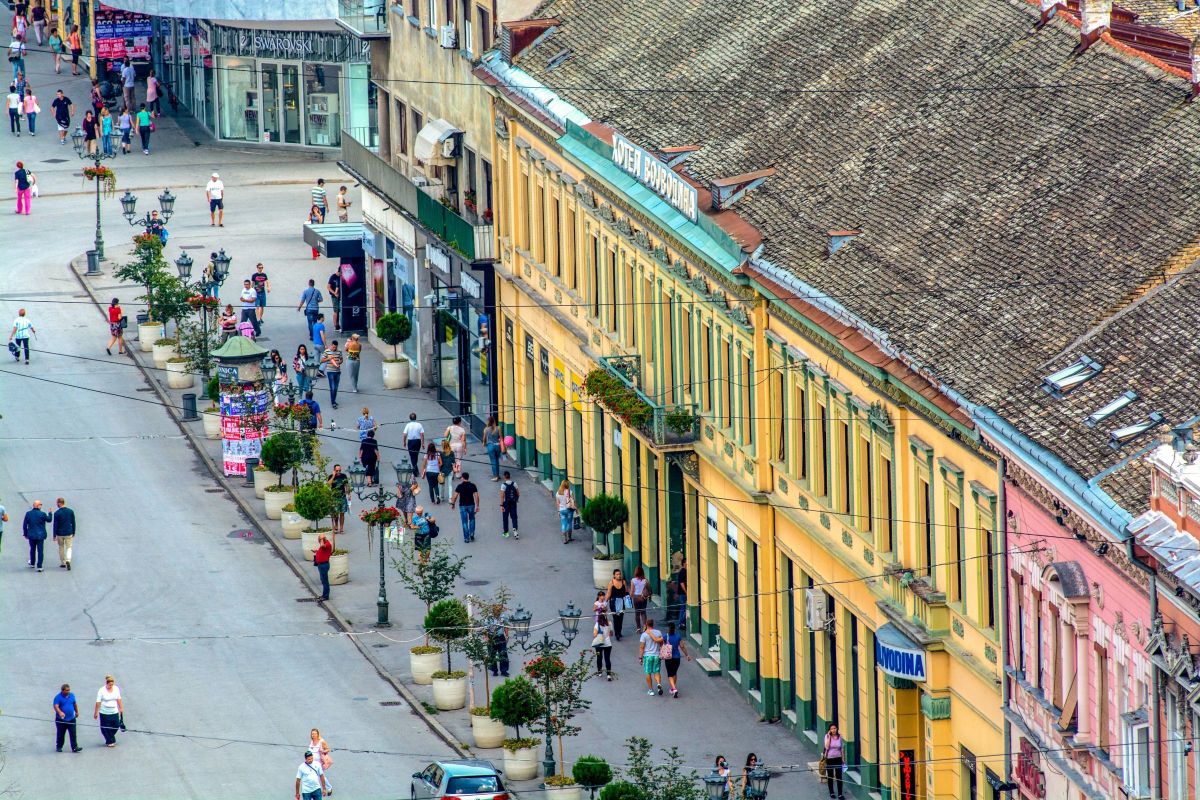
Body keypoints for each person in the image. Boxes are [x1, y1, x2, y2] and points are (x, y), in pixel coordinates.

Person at [662, 621, 691, 698]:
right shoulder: (678, 636)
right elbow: (682, 646)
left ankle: (674, 689)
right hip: (677, 658)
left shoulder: (665, 637)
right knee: (674, 673)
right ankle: (672, 688)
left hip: (669, 658)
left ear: (668, 629)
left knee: (670, 675)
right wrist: (687, 655)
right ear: (674, 629)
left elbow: (660, 645)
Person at [93, 675, 123, 746]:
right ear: (106, 683)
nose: (111, 686)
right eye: (110, 685)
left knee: (116, 725)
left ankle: (110, 737)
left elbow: (118, 698)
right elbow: (98, 702)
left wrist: (121, 707)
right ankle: (110, 741)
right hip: (104, 712)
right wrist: (96, 712)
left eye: (112, 685)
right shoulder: (101, 690)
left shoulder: (116, 689)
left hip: (114, 711)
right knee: (105, 728)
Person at [450, 471, 479, 543]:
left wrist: (453, 504)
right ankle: (471, 533)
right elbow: (476, 496)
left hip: (462, 506)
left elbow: (455, 496)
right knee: (472, 519)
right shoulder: (473, 486)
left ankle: (466, 538)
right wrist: (477, 506)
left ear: (463, 478)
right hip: (471, 505)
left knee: (464, 522)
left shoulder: (459, 486)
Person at [23, 499, 51, 571]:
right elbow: (49, 520)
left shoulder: (28, 514)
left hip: (31, 535)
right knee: (40, 550)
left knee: (32, 549)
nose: (41, 506)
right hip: (40, 535)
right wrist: (50, 513)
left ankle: (32, 563)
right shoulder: (42, 514)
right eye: (41, 504)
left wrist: (25, 533)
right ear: (38, 506)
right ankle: (39, 566)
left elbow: (25, 525)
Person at [638, 618, 664, 696]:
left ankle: (651, 690)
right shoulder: (658, 632)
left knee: (648, 672)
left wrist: (640, 658)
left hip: (647, 656)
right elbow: (661, 643)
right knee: (657, 672)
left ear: (646, 624)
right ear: (653, 624)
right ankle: (658, 684)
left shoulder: (644, 634)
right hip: (656, 655)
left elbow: (642, 647)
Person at [54, 683, 81, 752]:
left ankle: (74, 747)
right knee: (61, 734)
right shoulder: (58, 697)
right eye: (66, 690)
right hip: (61, 720)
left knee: (73, 734)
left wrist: (77, 712)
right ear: (62, 690)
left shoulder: (72, 695)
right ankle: (59, 747)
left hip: (71, 719)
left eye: (69, 690)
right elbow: (56, 706)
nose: (68, 691)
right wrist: (60, 712)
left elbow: (74, 704)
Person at [593, 591, 614, 680]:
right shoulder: (609, 623)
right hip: (608, 644)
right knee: (607, 659)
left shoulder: (597, 625)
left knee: (599, 658)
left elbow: (594, 635)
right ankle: (609, 674)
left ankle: (599, 672)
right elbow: (611, 633)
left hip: (599, 644)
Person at [605, 568, 630, 641]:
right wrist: (605, 603)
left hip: (622, 602)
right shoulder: (611, 583)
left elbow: (626, 591)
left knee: (621, 617)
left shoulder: (623, 582)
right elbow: (608, 594)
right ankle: (617, 634)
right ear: (614, 575)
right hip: (614, 603)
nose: (619, 576)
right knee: (616, 618)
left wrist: (628, 600)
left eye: (620, 574)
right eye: (617, 574)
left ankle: (619, 631)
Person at [52, 497, 76, 570]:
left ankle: (63, 562)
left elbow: (55, 525)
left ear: (59, 503)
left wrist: (54, 535)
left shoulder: (57, 513)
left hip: (60, 533)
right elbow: (73, 522)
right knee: (69, 547)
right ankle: (68, 560)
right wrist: (74, 531)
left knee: (61, 547)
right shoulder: (70, 511)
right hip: (69, 532)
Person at [328, 464, 349, 539]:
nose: (339, 472)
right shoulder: (331, 476)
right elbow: (328, 484)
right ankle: (336, 526)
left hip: (342, 496)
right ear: (334, 470)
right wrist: (333, 476)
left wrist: (349, 494)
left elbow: (346, 485)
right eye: (337, 470)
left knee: (342, 513)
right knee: (335, 513)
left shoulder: (344, 476)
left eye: (340, 470)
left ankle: (341, 528)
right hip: (334, 497)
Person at [822, 725, 844, 799]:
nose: (833, 730)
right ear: (829, 730)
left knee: (839, 777)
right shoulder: (827, 736)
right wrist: (828, 736)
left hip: (838, 758)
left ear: (837, 729)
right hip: (829, 759)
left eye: (834, 728)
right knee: (830, 776)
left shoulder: (840, 737)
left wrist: (843, 759)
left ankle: (840, 794)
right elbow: (827, 747)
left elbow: (842, 749)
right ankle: (831, 792)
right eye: (831, 729)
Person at [320, 340, 343, 408]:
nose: (334, 349)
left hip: (337, 371)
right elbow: (321, 360)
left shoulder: (339, 351)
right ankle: (333, 402)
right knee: (332, 387)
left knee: (335, 388)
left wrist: (339, 362)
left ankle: (334, 400)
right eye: (333, 347)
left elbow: (341, 359)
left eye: (335, 347)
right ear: (331, 345)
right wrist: (328, 358)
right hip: (330, 371)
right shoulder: (327, 351)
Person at [499, 470, 519, 540]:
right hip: (513, 503)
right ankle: (515, 529)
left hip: (506, 504)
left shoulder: (503, 485)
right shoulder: (514, 484)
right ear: (510, 476)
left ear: (504, 477)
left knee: (505, 518)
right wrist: (516, 500)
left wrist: (501, 505)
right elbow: (518, 494)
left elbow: (502, 496)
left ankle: (506, 533)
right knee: (514, 517)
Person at [313, 531, 332, 602]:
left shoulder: (327, 544)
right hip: (321, 565)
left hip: (324, 565)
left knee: (325, 581)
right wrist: (317, 552)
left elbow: (322, 546)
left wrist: (321, 539)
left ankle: (326, 596)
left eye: (319, 539)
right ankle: (324, 595)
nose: (319, 540)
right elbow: (322, 550)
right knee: (323, 580)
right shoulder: (325, 544)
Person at [555, 480, 576, 544]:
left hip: (562, 511)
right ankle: (569, 538)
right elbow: (573, 501)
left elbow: (558, 503)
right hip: (569, 510)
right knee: (569, 523)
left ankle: (565, 539)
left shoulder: (558, 493)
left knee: (564, 524)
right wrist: (576, 509)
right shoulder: (570, 492)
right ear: (567, 485)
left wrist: (558, 511)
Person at [631, 566, 651, 631]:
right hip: (643, 598)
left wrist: (631, 596)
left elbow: (632, 592)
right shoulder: (646, 580)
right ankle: (645, 626)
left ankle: (638, 628)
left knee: (637, 613)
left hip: (636, 598)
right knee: (643, 612)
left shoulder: (633, 580)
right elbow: (649, 590)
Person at [483, 415, 503, 480]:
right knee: (496, 460)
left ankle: (495, 476)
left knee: (493, 461)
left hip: (490, 446)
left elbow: (484, 439)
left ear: (488, 422)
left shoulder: (486, 429)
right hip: (497, 446)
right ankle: (497, 474)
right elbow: (501, 438)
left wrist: (484, 443)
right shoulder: (498, 428)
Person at [673, 557, 688, 628]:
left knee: (683, 608)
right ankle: (681, 622)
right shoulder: (683, 572)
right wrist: (686, 592)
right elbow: (682, 583)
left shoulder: (684, 571)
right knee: (683, 608)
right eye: (687, 562)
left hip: (682, 593)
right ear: (684, 563)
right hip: (683, 593)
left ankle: (682, 622)